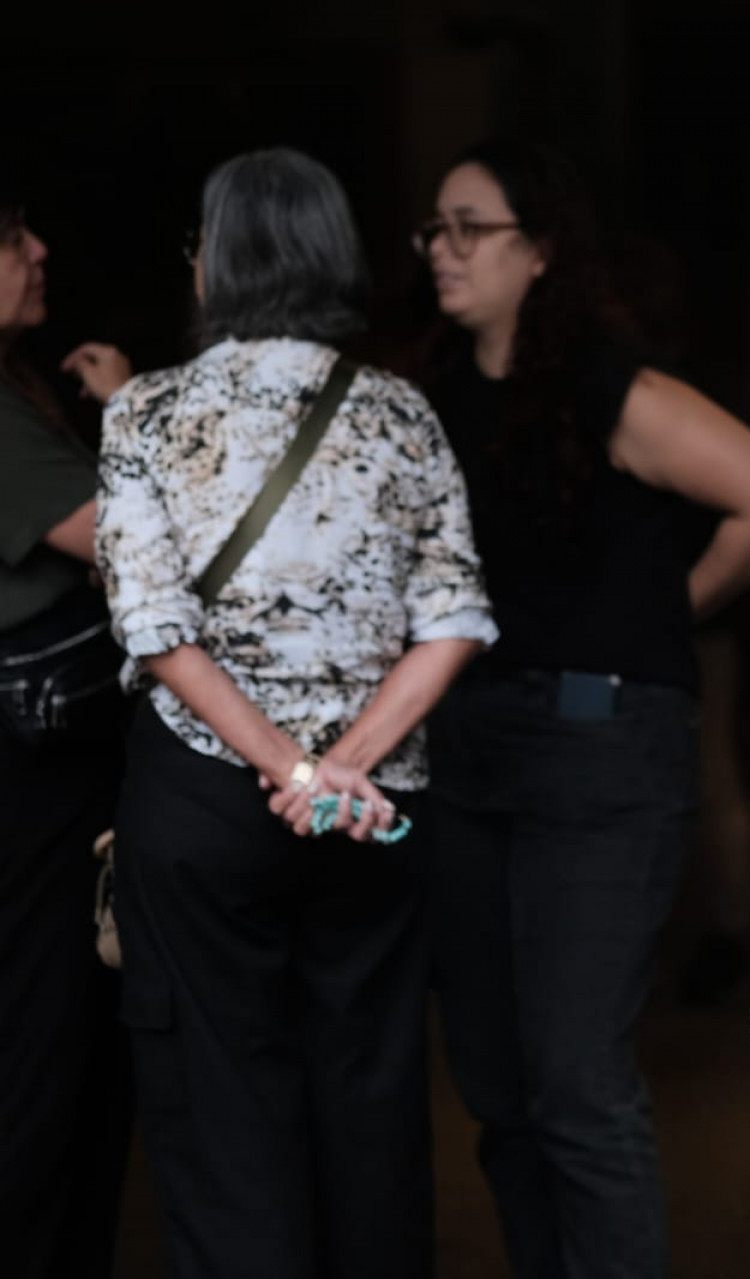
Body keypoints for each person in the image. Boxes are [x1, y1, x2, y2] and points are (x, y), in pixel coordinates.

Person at [96, 147, 497, 1279]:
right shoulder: (401, 413)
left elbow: (154, 626)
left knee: (218, 1104)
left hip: (204, 798)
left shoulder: (147, 411)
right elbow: (456, 617)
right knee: (371, 1094)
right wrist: (342, 765)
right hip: (372, 809)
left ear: (216, 261)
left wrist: (290, 767)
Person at [417, 139, 750, 1279]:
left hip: (598, 751)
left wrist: (651, 617)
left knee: (575, 1080)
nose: (442, 249)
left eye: (471, 228)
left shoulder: (605, 380)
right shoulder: (438, 389)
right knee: (498, 1084)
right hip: (468, 746)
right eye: (434, 228)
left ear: (540, 250)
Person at [0, 175, 132, 1279]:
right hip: (30, 791)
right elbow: (145, 544)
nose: (39, 249)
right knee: (42, 1066)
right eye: (10, 238)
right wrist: (133, 408)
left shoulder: (18, 394)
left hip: (47, 783)